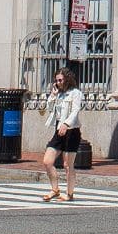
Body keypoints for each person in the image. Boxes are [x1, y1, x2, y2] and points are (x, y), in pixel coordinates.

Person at [37, 68, 85, 202]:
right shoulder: (59, 94)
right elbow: (50, 109)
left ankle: (69, 194)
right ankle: (55, 189)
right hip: (59, 131)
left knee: (67, 165)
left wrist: (66, 124)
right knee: (47, 161)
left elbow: (75, 110)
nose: (58, 82)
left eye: (60, 80)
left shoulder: (76, 93)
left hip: (71, 131)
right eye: (56, 80)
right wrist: (53, 95)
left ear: (67, 79)